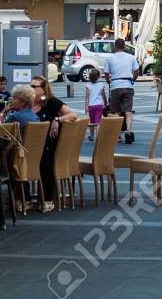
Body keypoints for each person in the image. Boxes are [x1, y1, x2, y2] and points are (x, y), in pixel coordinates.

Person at [31, 74, 78, 212]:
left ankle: (47, 199)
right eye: (29, 86)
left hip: (48, 145)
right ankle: (23, 198)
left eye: (34, 86)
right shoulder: (27, 103)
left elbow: (73, 115)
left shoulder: (51, 102)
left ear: (44, 89)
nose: (31, 88)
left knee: (45, 162)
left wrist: (57, 120)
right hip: (30, 144)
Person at [105, 38, 139, 144]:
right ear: (124, 46)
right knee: (128, 111)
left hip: (115, 86)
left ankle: (118, 135)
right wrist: (133, 79)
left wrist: (108, 81)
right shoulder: (131, 57)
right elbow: (136, 70)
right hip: (128, 85)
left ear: (115, 46)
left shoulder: (110, 58)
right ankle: (128, 131)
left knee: (116, 112)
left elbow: (106, 73)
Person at [84, 67, 108, 140]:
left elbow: (87, 98)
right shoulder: (101, 85)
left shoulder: (88, 86)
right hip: (99, 105)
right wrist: (106, 103)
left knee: (92, 121)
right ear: (98, 76)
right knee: (98, 121)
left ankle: (91, 136)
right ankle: (98, 137)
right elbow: (104, 95)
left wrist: (86, 108)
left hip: (91, 105)